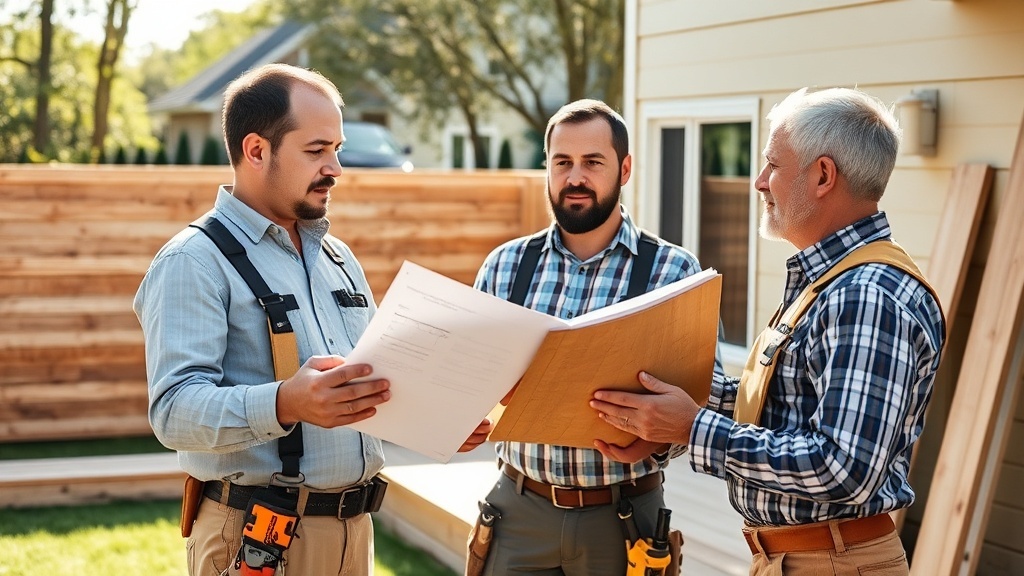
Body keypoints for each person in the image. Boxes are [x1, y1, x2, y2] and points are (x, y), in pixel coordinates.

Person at [134, 63, 489, 576]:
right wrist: (286, 402)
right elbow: (173, 411)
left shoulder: (337, 257)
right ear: (257, 151)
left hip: (354, 533)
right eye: (317, 150)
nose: (337, 168)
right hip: (255, 540)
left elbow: (366, 383)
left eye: (337, 149)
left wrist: (439, 419)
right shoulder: (192, 261)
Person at [590, 87, 947, 576]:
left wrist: (692, 427)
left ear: (823, 175)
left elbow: (842, 468)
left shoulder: (866, 294)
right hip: (801, 557)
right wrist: (658, 396)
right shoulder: (831, 283)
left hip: (834, 563)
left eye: (773, 165)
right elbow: (783, 404)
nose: (759, 182)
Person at [470, 98, 703, 575]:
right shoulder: (505, 265)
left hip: (622, 518)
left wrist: (655, 443)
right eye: (562, 162)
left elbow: (706, 399)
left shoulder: (675, 272)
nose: (575, 177)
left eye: (593, 162)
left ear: (625, 167)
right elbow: (469, 378)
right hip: (516, 512)